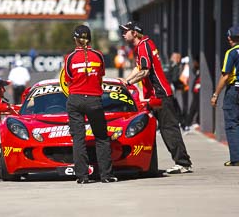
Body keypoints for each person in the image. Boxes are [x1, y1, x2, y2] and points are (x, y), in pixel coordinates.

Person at [119, 21, 193, 174]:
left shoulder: (143, 46)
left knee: (169, 129)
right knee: (152, 127)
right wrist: (126, 81)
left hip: (160, 94)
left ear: (134, 32)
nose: (123, 34)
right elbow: (138, 68)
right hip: (153, 96)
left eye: (125, 31)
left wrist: (129, 82)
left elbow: (145, 71)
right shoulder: (143, 45)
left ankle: (183, 163)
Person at [64, 24, 117, 184]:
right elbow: (100, 77)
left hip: (75, 100)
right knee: (101, 138)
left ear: (75, 40)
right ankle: (106, 176)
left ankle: (82, 177)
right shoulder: (99, 56)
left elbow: (68, 81)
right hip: (94, 100)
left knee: (78, 139)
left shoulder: (69, 58)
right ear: (90, 39)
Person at [210, 26, 239, 166]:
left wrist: (216, 94)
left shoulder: (231, 53)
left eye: (229, 36)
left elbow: (225, 76)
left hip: (235, 90)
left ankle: (236, 158)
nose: (228, 38)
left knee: (232, 124)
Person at [184, 56, 200, 132]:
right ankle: (188, 123)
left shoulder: (200, 71)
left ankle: (190, 123)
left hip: (198, 92)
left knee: (194, 108)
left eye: (195, 62)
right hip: (195, 92)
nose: (193, 63)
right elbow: (194, 70)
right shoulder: (196, 70)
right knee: (193, 108)